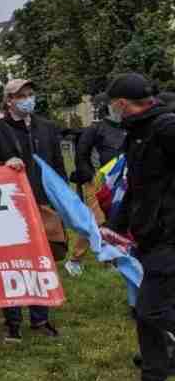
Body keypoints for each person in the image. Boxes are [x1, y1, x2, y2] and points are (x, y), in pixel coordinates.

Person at [101, 73, 175, 381]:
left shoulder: (165, 129)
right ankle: (153, 380)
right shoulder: (137, 135)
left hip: (169, 236)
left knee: (149, 309)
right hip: (152, 234)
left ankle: (155, 377)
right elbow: (136, 188)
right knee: (152, 309)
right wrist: (115, 227)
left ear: (121, 104)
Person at [0, 78, 66, 342]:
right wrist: (4, 164)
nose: (28, 98)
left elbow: (57, 165)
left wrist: (60, 199)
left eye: (30, 93)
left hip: (41, 204)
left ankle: (41, 318)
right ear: (9, 101)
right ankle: (12, 320)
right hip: (10, 208)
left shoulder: (47, 128)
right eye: (21, 95)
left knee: (41, 261)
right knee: (12, 263)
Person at [67, 94, 128, 275]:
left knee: (115, 221)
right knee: (95, 221)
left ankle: (111, 259)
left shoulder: (129, 128)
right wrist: (89, 177)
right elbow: (82, 154)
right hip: (96, 182)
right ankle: (75, 260)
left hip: (120, 182)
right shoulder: (95, 129)